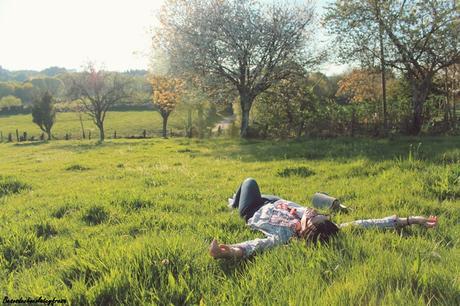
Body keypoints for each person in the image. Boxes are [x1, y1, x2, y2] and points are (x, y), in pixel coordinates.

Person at [209, 178, 438, 259]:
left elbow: (256, 245)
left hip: (254, 209)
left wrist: (229, 251)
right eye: (320, 215)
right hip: (276, 201)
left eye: (313, 218)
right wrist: (411, 220)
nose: (314, 213)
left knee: (249, 182)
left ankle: (234, 205)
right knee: (264, 192)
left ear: (307, 231)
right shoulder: (329, 227)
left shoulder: (284, 236)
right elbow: (365, 223)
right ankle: (235, 199)